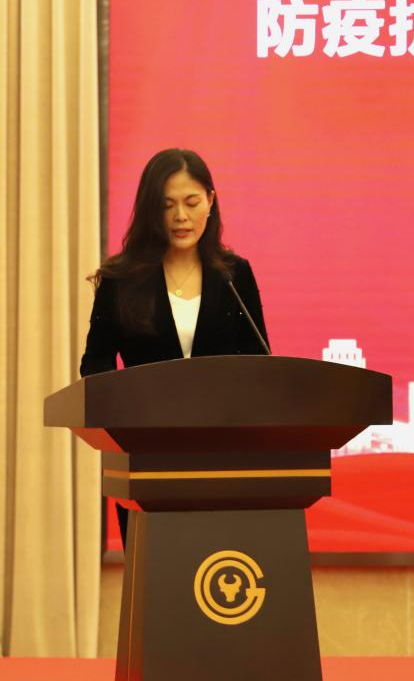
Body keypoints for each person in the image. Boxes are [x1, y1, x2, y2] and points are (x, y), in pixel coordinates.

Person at [79, 148, 270, 543]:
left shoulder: (234, 275)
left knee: (217, 570)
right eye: (167, 205)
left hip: (224, 461)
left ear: (211, 201)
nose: (181, 216)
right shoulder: (121, 279)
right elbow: (95, 365)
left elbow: (260, 366)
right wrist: (124, 423)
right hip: (145, 461)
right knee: (157, 574)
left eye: (191, 202)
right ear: (150, 209)